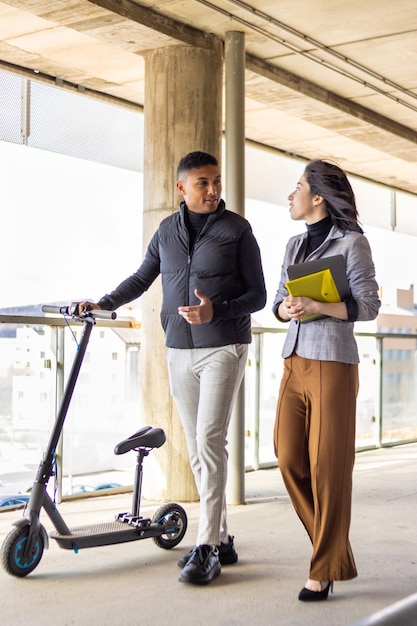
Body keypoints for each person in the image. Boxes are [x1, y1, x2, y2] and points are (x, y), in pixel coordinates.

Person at [73, 150, 266, 586]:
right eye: (203, 182)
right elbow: (142, 277)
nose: (214, 190)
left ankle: (206, 548)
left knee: (208, 441)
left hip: (224, 346)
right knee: (201, 449)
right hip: (178, 349)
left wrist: (217, 311)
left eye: (217, 181)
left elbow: (258, 294)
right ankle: (222, 535)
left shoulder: (237, 229)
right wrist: (102, 304)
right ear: (182, 188)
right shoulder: (166, 231)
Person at [272, 159, 380, 602]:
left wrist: (320, 307)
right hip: (294, 360)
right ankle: (333, 550)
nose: (291, 195)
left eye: (298, 187)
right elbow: (278, 302)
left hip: (334, 363)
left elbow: (368, 306)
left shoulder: (353, 244)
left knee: (328, 469)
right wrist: (290, 309)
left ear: (318, 196)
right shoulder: (294, 246)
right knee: (287, 455)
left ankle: (322, 568)